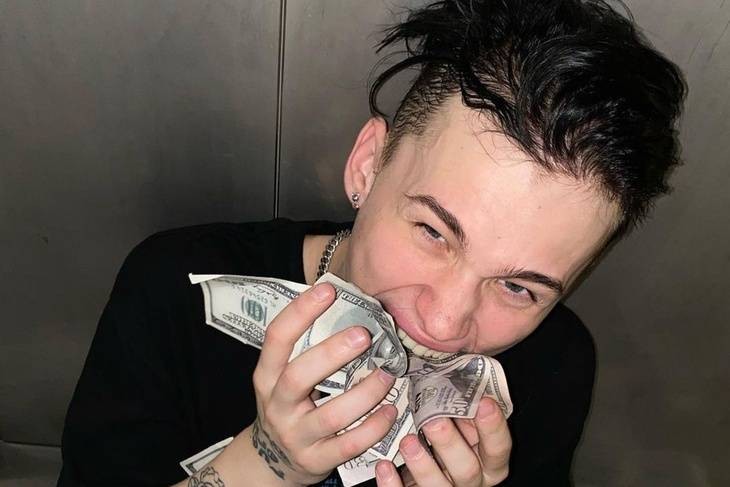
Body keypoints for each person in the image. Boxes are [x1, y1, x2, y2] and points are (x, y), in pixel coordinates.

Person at [58, 1, 686, 486]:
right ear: (367, 166)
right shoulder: (175, 286)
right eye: (433, 232)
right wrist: (265, 465)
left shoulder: (553, 366)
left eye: (519, 287)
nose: (443, 324)